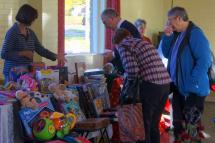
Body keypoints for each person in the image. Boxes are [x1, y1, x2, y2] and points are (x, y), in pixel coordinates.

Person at [161, 6, 211, 142]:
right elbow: (166, 53)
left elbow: (205, 60)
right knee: (178, 125)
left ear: (179, 18)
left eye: (170, 21)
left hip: (192, 90)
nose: (169, 24)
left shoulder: (195, 33)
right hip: (179, 88)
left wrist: (192, 82)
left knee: (191, 127)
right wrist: (166, 36)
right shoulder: (177, 34)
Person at [113, 28, 171, 143]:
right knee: (154, 123)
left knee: (145, 125)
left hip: (151, 86)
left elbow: (132, 70)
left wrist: (125, 79)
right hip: (165, 85)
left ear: (117, 42)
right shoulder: (144, 43)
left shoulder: (124, 46)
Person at [1, 4, 66, 82]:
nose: (34, 20)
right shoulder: (12, 32)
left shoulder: (30, 33)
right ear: (27, 17)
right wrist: (23, 53)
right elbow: (4, 54)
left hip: (26, 73)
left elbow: (40, 49)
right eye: (33, 18)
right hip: (12, 74)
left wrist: (55, 56)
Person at [101, 8, 141, 75]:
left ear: (111, 18)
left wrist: (113, 54)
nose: (105, 26)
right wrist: (110, 64)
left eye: (104, 22)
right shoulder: (124, 26)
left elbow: (129, 54)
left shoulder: (125, 28)